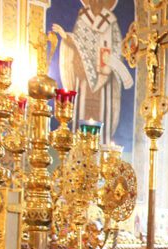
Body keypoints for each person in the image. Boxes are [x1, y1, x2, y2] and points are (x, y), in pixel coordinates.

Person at [53, 0, 134, 145]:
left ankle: (101, 144)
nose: (96, 1)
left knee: (101, 112)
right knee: (82, 109)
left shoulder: (110, 20)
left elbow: (118, 47)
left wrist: (109, 61)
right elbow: (78, 42)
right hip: (83, 77)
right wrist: (66, 37)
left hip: (104, 80)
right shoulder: (83, 17)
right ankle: (77, 145)